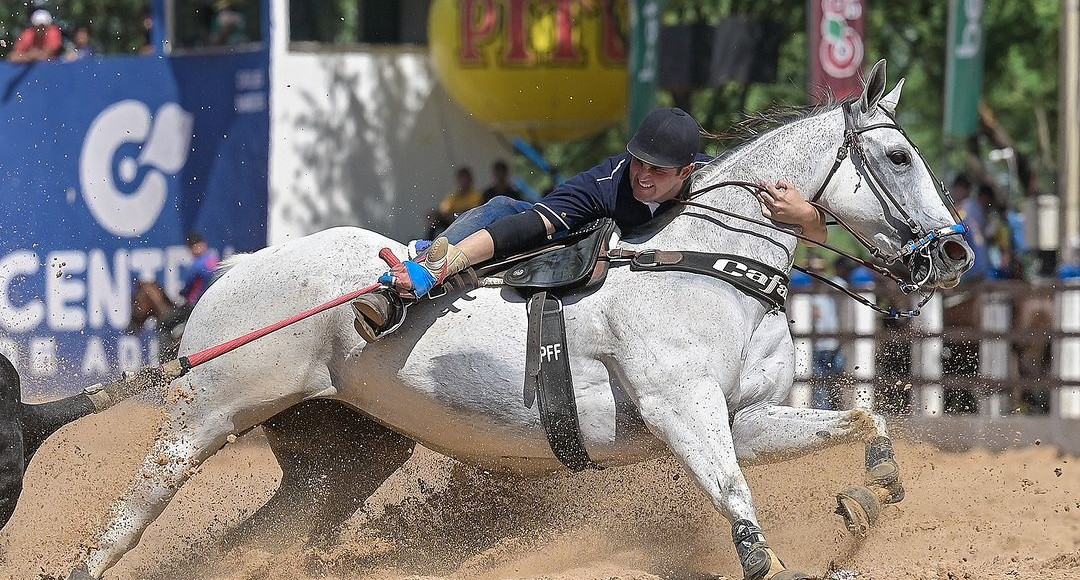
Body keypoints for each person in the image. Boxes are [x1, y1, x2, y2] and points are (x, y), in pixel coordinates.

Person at [352, 107, 827, 342]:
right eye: (638, 161)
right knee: (502, 208)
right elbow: (530, 228)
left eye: (658, 171)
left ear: (688, 171)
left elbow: (821, 236)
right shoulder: (603, 185)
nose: (642, 176)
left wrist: (806, 216)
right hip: (579, 250)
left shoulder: (721, 182)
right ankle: (407, 282)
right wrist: (450, 260)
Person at [157, 233, 222, 339]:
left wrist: (181, 293)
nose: (195, 249)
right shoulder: (215, 260)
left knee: (164, 324)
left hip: (195, 306)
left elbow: (189, 287)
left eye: (195, 246)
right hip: (215, 302)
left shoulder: (198, 264)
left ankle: (167, 355)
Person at [426, 166, 485, 239]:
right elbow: (443, 211)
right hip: (453, 223)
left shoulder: (476, 195)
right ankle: (429, 243)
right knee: (435, 218)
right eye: (461, 180)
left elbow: (472, 211)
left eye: (465, 180)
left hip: (469, 226)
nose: (463, 183)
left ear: (470, 181)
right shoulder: (453, 196)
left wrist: (452, 213)